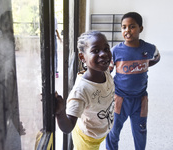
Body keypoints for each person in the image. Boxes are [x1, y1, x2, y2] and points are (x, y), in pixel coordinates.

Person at [105, 12, 160, 150]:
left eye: (132, 27)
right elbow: (107, 71)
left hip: (140, 100)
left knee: (140, 133)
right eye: (124, 27)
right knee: (113, 132)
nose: (127, 30)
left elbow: (156, 58)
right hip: (119, 99)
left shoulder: (149, 48)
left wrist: (144, 65)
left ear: (141, 28)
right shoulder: (116, 51)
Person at [55, 30, 115, 150]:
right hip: (87, 138)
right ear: (82, 57)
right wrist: (60, 112)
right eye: (96, 51)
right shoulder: (81, 91)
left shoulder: (105, 70)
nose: (104, 54)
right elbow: (67, 128)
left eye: (106, 48)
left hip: (100, 131)